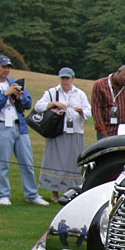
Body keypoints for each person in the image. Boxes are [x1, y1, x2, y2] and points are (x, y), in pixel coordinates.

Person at [0, 55, 49, 206]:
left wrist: (19, 97)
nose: (6, 70)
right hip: (1, 127)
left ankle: (32, 195)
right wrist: (5, 95)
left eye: (8, 67)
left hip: (19, 126)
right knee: (3, 163)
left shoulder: (15, 83)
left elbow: (28, 103)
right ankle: (3, 195)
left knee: (27, 162)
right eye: (3, 66)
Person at [34, 67, 92, 202]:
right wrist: (52, 104)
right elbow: (38, 106)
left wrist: (80, 111)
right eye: (63, 78)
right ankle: (54, 193)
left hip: (75, 132)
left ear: (72, 79)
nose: (65, 81)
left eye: (67, 78)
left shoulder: (80, 94)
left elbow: (89, 112)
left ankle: (71, 192)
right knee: (55, 162)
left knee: (73, 163)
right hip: (57, 131)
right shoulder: (52, 92)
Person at [91, 64, 125, 139]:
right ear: (118, 72)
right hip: (106, 131)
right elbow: (96, 110)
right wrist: (103, 132)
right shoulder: (99, 85)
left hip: (124, 132)